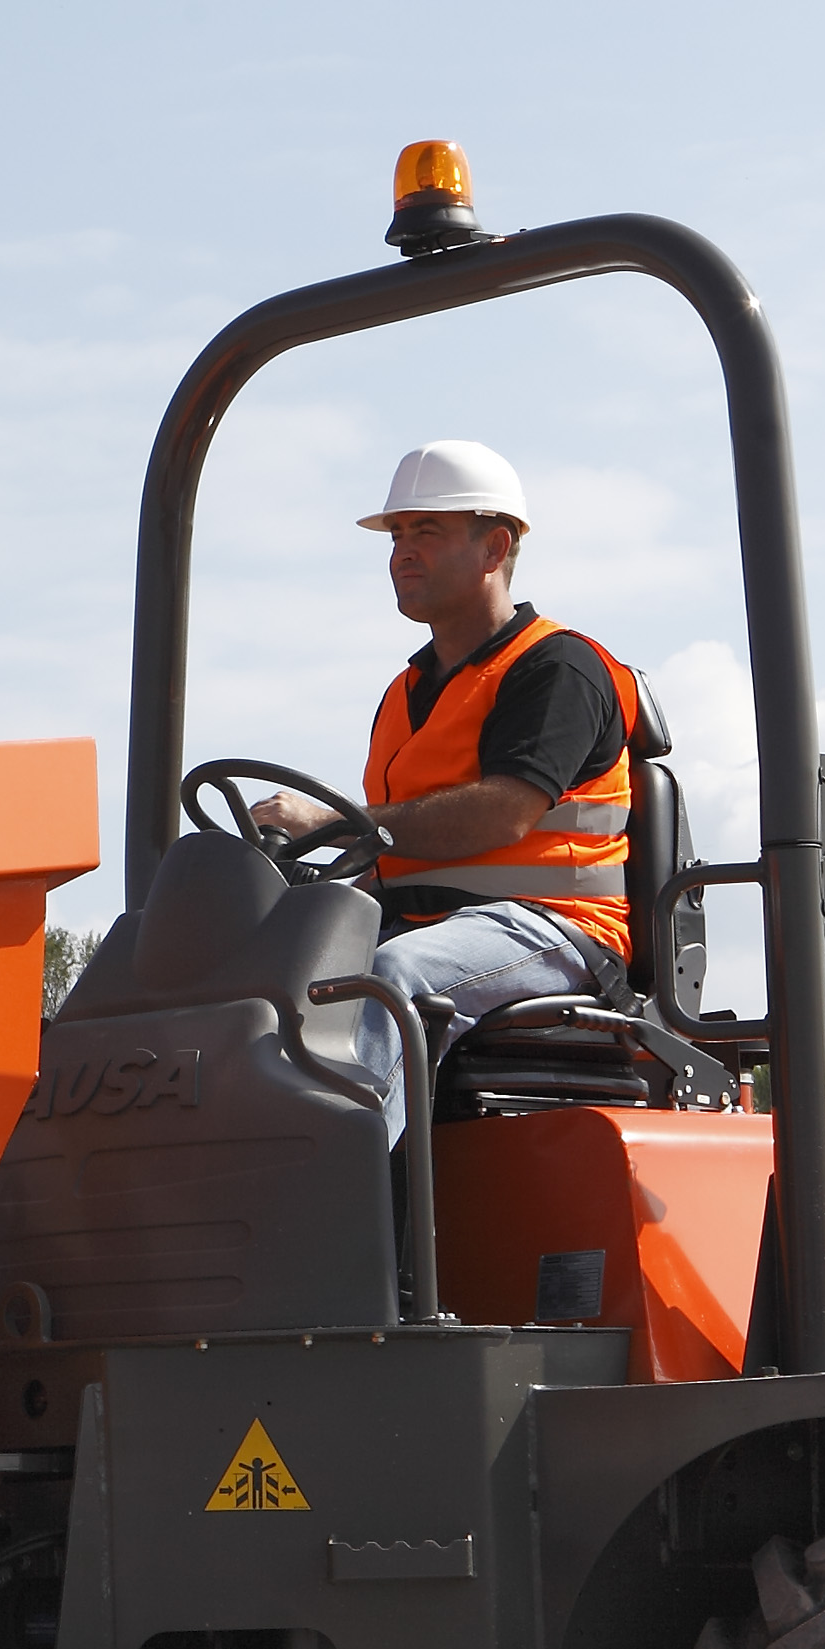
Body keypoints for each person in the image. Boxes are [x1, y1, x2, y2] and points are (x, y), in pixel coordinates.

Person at [255, 441, 647, 1138]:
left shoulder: (558, 669)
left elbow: (504, 813)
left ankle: (349, 1221)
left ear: (495, 547)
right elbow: (390, 846)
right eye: (397, 536)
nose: (402, 553)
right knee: (256, 981)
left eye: (426, 532)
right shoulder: (403, 693)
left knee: (388, 978)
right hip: (424, 920)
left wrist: (333, 822)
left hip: (553, 925)